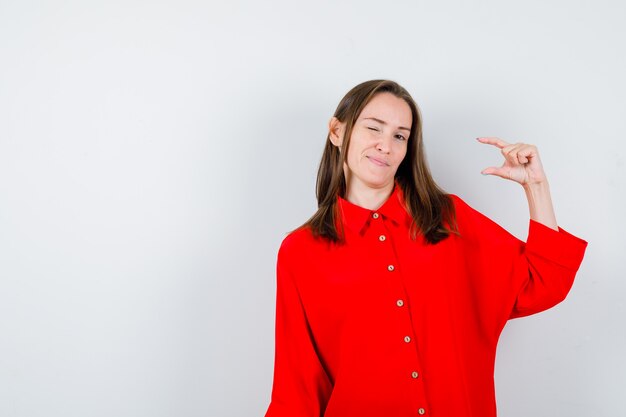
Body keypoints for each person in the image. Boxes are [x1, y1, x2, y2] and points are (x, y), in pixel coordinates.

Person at [264, 80, 587, 417]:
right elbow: (296, 389)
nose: (385, 146)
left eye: (400, 136)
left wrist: (536, 187)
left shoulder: (449, 219)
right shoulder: (300, 251)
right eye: (374, 128)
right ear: (337, 131)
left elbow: (543, 281)